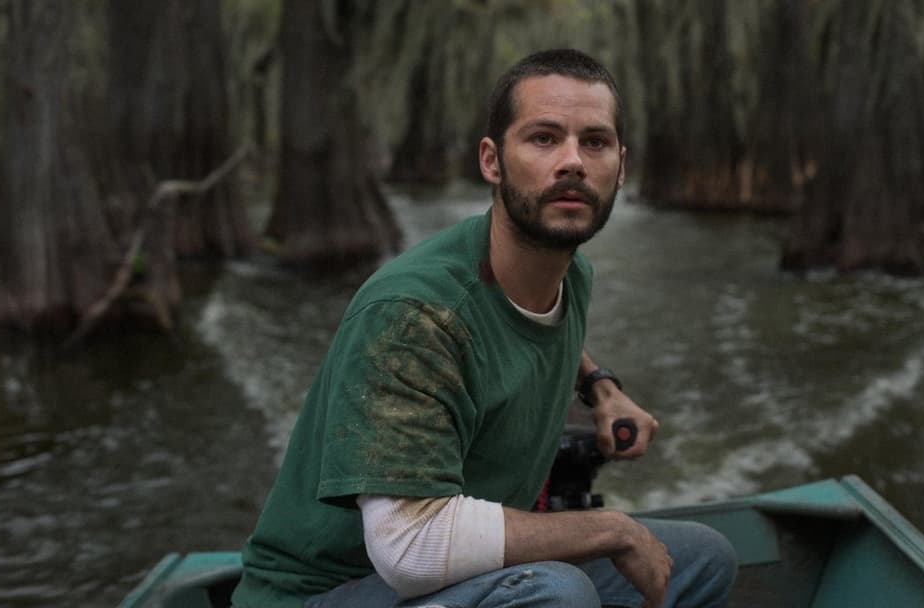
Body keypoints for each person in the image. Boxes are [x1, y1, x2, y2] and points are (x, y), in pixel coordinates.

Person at [231, 48, 736, 608]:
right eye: (543, 138)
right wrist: (611, 529)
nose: (571, 161)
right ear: (492, 161)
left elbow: (530, 328)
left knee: (703, 558)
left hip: (450, 580)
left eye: (593, 142)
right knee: (555, 593)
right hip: (325, 593)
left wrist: (601, 388)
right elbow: (411, 548)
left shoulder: (570, 276)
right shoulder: (411, 315)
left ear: (621, 166)